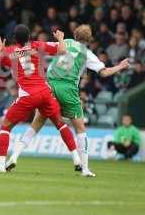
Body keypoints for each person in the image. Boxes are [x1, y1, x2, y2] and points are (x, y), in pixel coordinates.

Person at [12, 25, 130, 177]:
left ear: (74, 35)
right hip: (68, 89)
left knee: (37, 123)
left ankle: (14, 156)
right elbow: (104, 72)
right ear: (89, 39)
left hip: (50, 86)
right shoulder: (87, 53)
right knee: (80, 129)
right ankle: (85, 169)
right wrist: (120, 66)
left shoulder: (65, 42)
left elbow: (44, 50)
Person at [0, 24, 80, 173]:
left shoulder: (10, 51)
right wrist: (61, 38)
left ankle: (1, 165)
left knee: (5, 126)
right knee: (61, 124)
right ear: (30, 37)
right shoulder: (37, 45)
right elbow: (63, 50)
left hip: (28, 95)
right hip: (45, 92)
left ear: (15, 38)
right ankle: (77, 159)